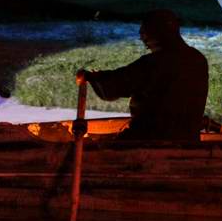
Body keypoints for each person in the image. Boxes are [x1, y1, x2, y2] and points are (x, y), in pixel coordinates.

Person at [76, 9, 208, 141]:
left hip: (148, 139)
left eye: (145, 32)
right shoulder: (198, 59)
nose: (142, 37)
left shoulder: (154, 63)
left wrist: (90, 77)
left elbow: (114, 86)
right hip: (189, 139)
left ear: (155, 33)